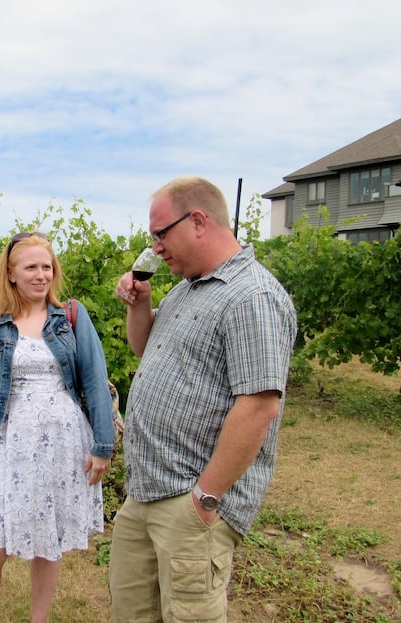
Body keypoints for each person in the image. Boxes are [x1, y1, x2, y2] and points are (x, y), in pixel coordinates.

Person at [110, 176, 297, 622]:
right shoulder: (186, 287)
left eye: (161, 234)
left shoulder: (252, 296)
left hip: (191, 503)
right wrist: (140, 305)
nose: (155, 247)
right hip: (145, 491)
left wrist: (205, 499)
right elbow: (146, 348)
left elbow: (258, 408)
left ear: (197, 221)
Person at [0, 231, 114, 623]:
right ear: (11, 273)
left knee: (48, 544)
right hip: (10, 443)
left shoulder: (70, 318)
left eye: (47, 266)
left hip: (63, 443)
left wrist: (103, 445)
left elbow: (96, 382)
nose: (41, 275)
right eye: (31, 267)